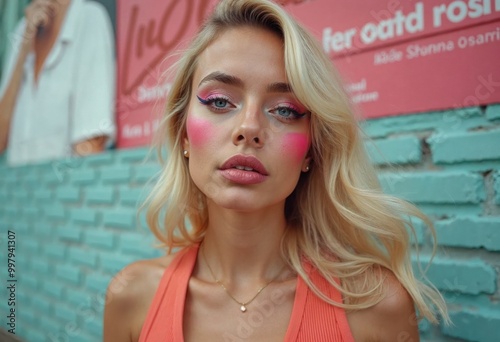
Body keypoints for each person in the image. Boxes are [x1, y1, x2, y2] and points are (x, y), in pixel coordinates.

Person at [104, 0, 448, 341]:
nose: (249, 127)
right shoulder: (131, 297)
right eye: (220, 101)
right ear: (183, 134)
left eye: (284, 110)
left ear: (311, 150)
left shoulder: (376, 305)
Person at [0, 0, 115, 166]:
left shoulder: (88, 19)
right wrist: (24, 50)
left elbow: (91, 145)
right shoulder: (22, 29)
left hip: (64, 188)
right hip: (19, 189)